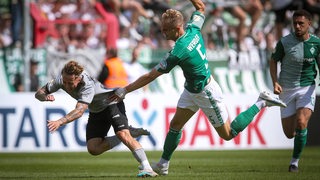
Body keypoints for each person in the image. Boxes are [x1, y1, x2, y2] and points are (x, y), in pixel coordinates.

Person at [111, 0, 287, 175]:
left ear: (177, 28)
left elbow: (150, 75)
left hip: (205, 92)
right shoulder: (193, 29)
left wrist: (125, 90)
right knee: (175, 125)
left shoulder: (179, 51)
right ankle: (163, 164)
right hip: (191, 90)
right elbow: (201, 7)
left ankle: (261, 102)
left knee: (228, 133)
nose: (162, 32)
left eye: (166, 29)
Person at [35, 60, 158, 177]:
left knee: (123, 134)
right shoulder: (61, 80)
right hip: (96, 110)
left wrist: (59, 122)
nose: (66, 86)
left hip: (111, 101)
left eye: (70, 83)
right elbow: (39, 93)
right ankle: (130, 132)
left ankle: (147, 167)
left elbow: (79, 111)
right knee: (93, 149)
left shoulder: (87, 86)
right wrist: (44, 97)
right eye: (65, 82)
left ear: (78, 78)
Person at [269, 9, 320, 173]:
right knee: (289, 133)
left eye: (301, 24)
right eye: (295, 23)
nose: (297, 26)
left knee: (301, 122)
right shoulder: (284, 42)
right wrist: (275, 82)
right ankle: (299, 136)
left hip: (307, 88)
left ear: (309, 24)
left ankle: (294, 163)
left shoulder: (316, 43)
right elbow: (273, 61)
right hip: (286, 90)